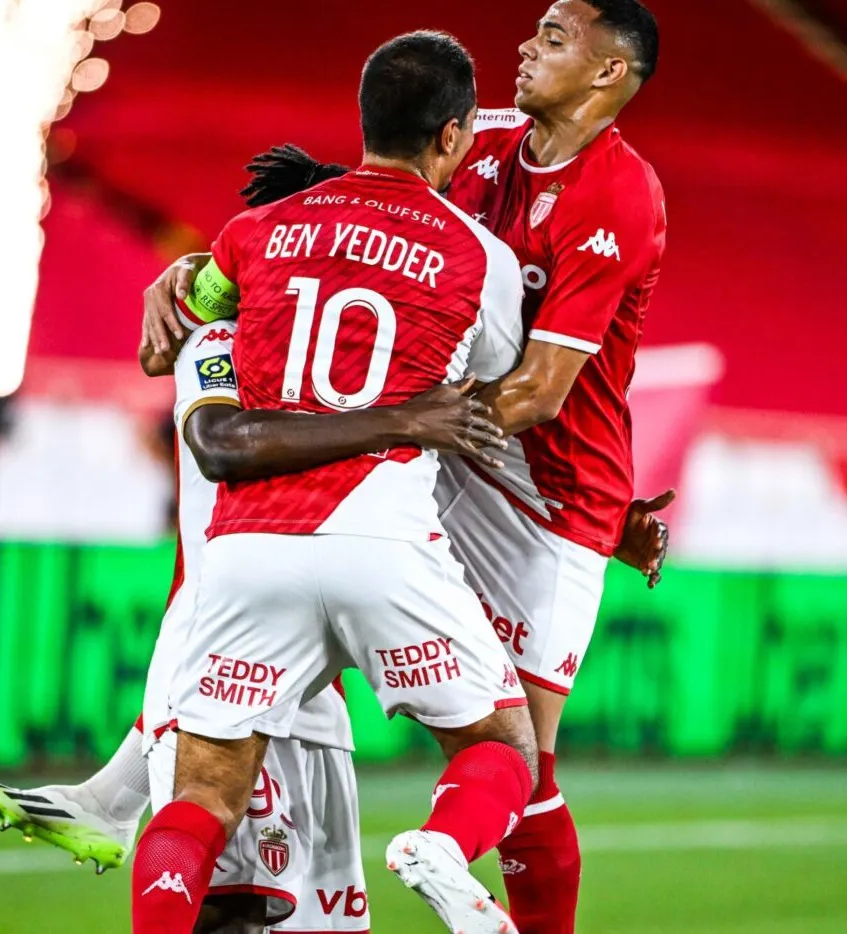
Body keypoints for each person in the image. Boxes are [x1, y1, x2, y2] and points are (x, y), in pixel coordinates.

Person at [143, 4, 668, 932]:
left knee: (528, 764)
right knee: (502, 751)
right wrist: (188, 271)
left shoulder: (619, 194)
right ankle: (371, 857)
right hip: (434, 458)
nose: (527, 45)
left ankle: (239, 848)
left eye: (555, 37)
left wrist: (228, 294)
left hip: (549, 496)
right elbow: (364, 194)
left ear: (608, 73)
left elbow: (540, 392)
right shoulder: (485, 137)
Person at [0, 329, 508, 934]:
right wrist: (404, 420)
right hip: (237, 630)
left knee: (305, 913)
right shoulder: (226, 333)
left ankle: (111, 799)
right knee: (234, 900)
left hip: (303, 672)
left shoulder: (324, 333)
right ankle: (111, 800)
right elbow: (218, 442)